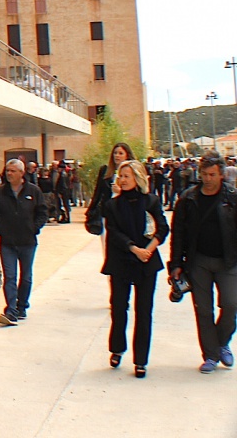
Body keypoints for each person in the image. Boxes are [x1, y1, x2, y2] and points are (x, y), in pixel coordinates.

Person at [169, 151, 237, 373]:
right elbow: (177, 234)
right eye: (204, 174)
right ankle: (210, 355)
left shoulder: (232, 198)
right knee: (203, 310)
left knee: (230, 304)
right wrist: (176, 265)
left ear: (221, 175)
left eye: (212, 174)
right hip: (198, 261)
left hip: (228, 261)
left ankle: (221, 343)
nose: (207, 179)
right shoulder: (188, 199)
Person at [101, 160, 168, 378]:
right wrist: (134, 249)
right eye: (121, 176)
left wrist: (148, 249)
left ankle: (141, 360)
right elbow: (114, 232)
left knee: (144, 311)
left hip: (146, 262)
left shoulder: (151, 201)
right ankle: (117, 348)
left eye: (127, 176)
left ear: (137, 178)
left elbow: (162, 227)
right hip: (122, 261)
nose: (122, 180)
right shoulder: (112, 205)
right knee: (119, 307)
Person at [0, 159, 47, 326]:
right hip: (8, 242)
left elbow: (43, 212)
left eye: (13, 171)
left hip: (28, 242)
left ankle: (22, 306)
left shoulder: (33, 191)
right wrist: (0, 229)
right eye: (7, 171)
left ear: (22, 173)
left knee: (26, 277)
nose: (9, 174)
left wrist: (34, 228)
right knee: (10, 276)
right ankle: (11, 309)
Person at [87, 143, 132, 235]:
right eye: (115, 153)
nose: (117, 156)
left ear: (127, 155)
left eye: (120, 153)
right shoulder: (105, 170)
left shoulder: (133, 171)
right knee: (107, 244)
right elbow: (98, 192)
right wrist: (91, 210)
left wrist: (121, 192)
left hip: (126, 213)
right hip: (107, 213)